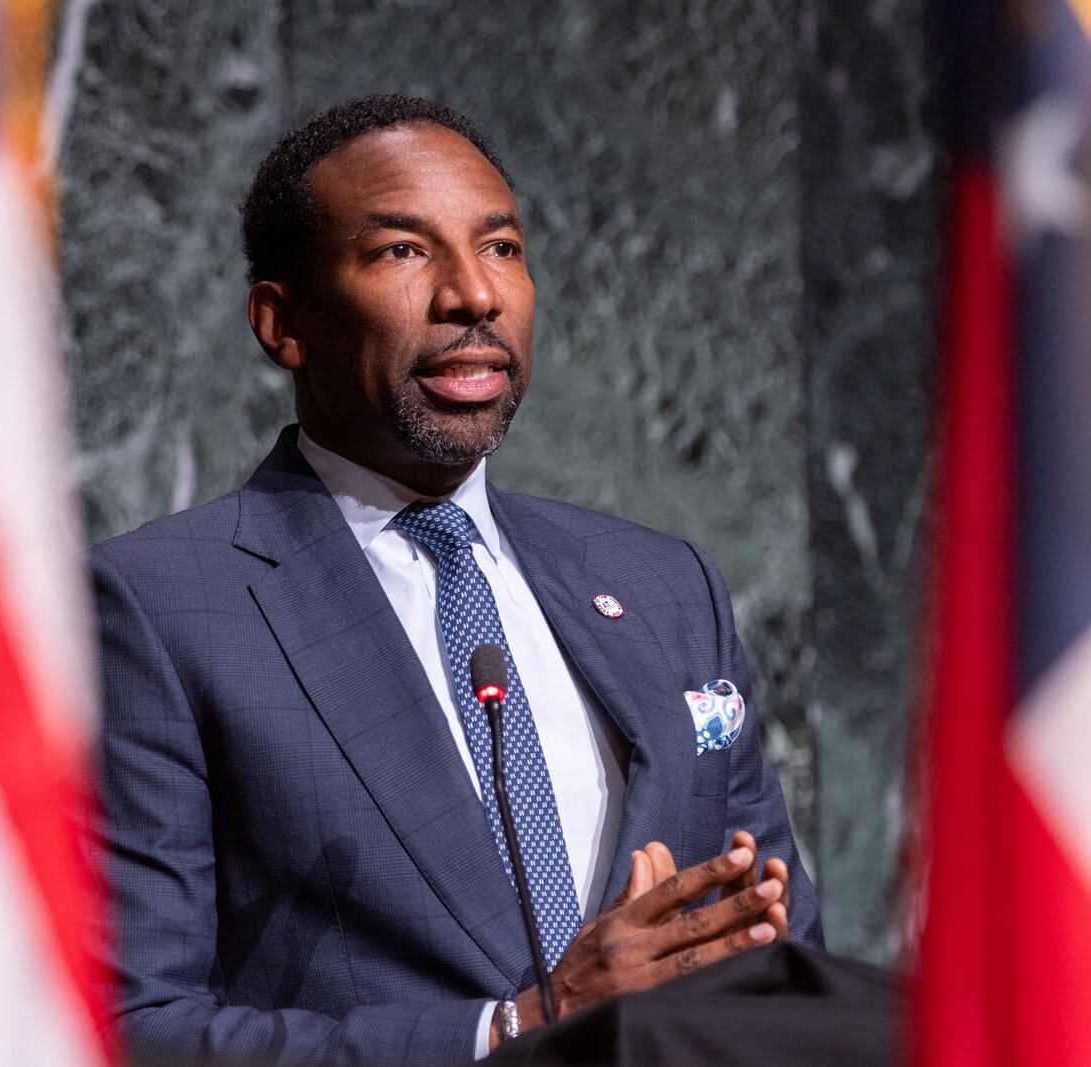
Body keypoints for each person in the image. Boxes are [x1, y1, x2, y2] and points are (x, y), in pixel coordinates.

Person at [90, 94, 822, 1067]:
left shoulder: (659, 582)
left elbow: (785, 955)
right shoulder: (157, 607)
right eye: (401, 251)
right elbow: (129, 1027)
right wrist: (510, 1028)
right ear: (283, 322)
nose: (473, 294)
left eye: (503, 248)